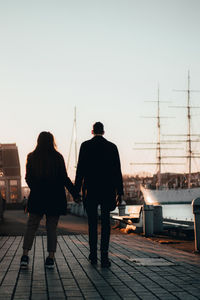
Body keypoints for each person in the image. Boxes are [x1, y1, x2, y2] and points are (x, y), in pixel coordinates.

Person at [20, 131, 78, 269]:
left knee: (31, 226)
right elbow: (64, 178)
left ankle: (25, 256)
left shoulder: (32, 157)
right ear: (52, 141)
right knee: (51, 228)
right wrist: (75, 193)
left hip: (38, 197)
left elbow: (28, 178)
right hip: (55, 197)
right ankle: (50, 258)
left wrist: (36, 188)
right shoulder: (58, 157)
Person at [75, 122, 124, 267]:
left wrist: (76, 191)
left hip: (90, 190)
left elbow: (80, 171)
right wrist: (119, 192)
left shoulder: (85, 146)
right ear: (103, 131)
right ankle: (104, 256)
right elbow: (117, 172)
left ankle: (93, 255)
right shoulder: (112, 147)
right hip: (107, 190)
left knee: (92, 223)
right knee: (106, 224)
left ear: (92, 131)